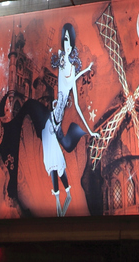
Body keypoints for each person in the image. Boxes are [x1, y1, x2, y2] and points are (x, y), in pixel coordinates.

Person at [42, 23, 94, 216]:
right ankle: (62, 200)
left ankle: (61, 202)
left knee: (55, 160)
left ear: (72, 44)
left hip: (56, 122)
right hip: (53, 120)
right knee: (54, 160)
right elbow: (60, 80)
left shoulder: (70, 68)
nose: (66, 44)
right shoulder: (62, 60)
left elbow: (78, 106)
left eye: (68, 41)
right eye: (64, 40)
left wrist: (89, 129)